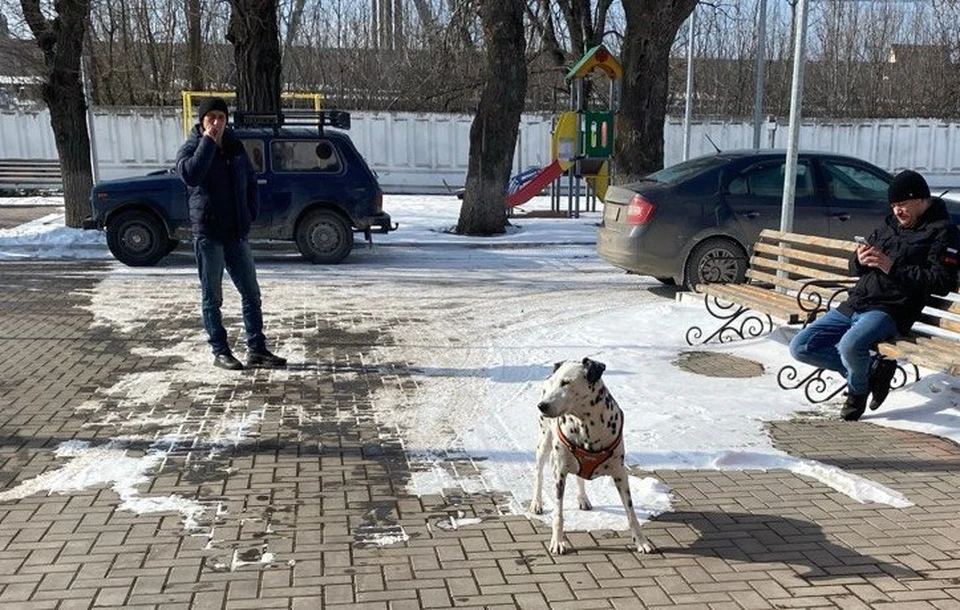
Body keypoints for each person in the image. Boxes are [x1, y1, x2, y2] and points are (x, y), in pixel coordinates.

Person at [789, 169, 960, 421]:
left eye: (902, 205)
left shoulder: (943, 232)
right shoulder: (889, 225)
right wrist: (859, 260)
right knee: (800, 346)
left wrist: (892, 267)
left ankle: (857, 392)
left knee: (850, 346)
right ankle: (871, 371)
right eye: (893, 205)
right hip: (856, 301)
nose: (897, 211)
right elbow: (855, 267)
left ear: (921, 200)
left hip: (890, 309)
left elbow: (941, 281)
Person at [176, 97, 286, 371]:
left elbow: (250, 180)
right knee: (212, 298)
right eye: (210, 117)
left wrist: (250, 212)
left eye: (221, 118)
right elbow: (191, 175)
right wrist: (208, 142)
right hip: (209, 235)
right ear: (201, 121)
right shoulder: (191, 148)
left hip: (236, 233)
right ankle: (220, 350)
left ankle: (257, 349)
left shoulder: (236, 147)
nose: (216, 122)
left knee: (251, 293)